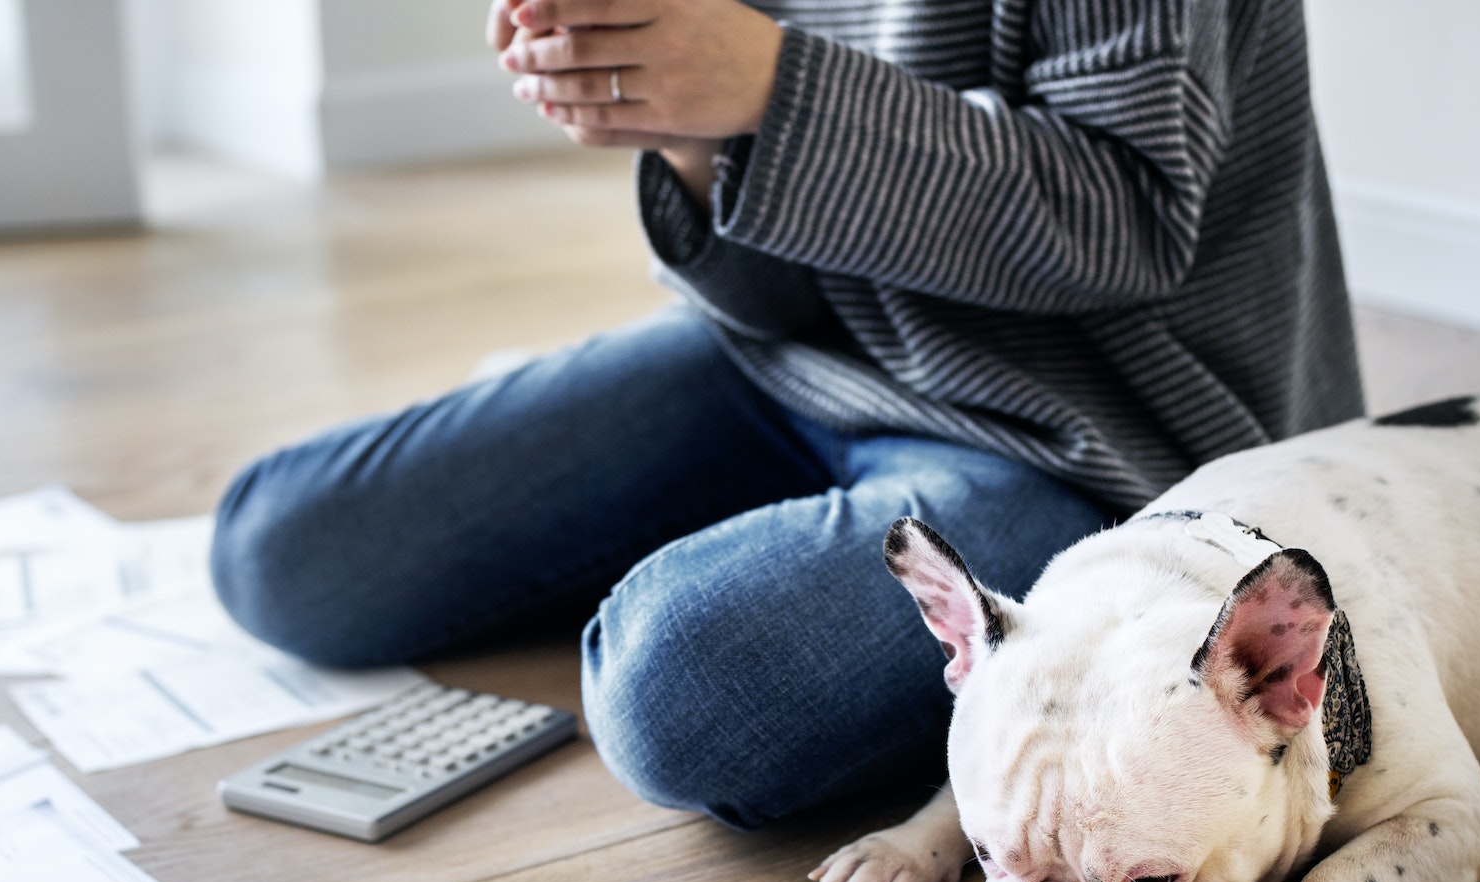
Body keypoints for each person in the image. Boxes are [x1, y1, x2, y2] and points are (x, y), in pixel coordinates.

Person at [209, 0, 1364, 835]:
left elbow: (1123, 222)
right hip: (803, 360)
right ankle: (795, 551)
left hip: (1091, 433)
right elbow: (770, 285)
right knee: (281, 551)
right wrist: (679, 120)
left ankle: (804, 568)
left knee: (683, 695)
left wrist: (768, 84)